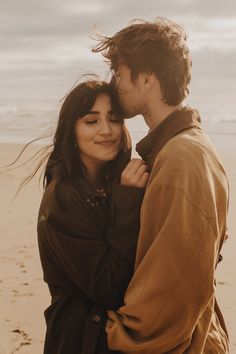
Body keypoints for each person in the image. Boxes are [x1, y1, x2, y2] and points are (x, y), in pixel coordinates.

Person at [93, 18, 230, 353]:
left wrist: (123, 333)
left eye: (121, 74)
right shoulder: (182, 147)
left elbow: (175, 280)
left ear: (147, 79)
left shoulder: (182, 157)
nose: (115, 85)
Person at [37, 80, 149, 354]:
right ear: (72, 130)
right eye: (91, 121)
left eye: (114, 119)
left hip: (114, 336)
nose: (107, 130)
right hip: (81, 340)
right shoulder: (63, 199)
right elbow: (111, 287)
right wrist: (128, 200)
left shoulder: (115, 182)